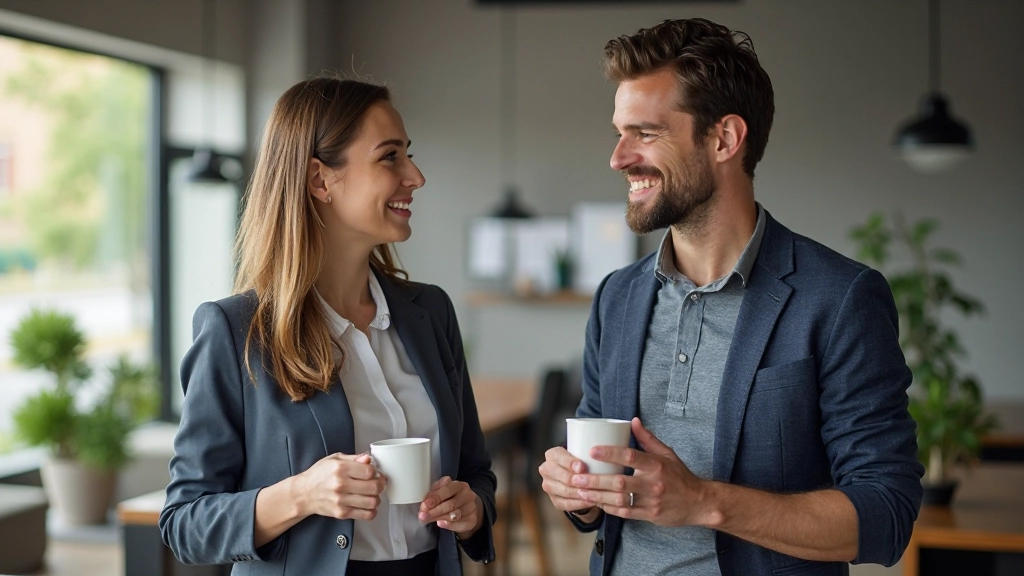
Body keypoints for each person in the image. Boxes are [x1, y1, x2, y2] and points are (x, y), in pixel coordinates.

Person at [538, 18, 923, 576]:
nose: (619, 157)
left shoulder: (840, 298)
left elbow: (886, 514)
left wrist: (703, 502)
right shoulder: (616, 297)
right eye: (619, 132)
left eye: (645, 133)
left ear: (724, 139)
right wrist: (576, 493)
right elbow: (605, 487)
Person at [160, 77, 496, 576]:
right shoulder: (235, 331)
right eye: (390, 157)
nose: (416, 176)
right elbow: (184, 523)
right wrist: (301, 494)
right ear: (320, 180)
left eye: (409, 154)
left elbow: (475, 473)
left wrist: (471, 512)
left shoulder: (431, 313)